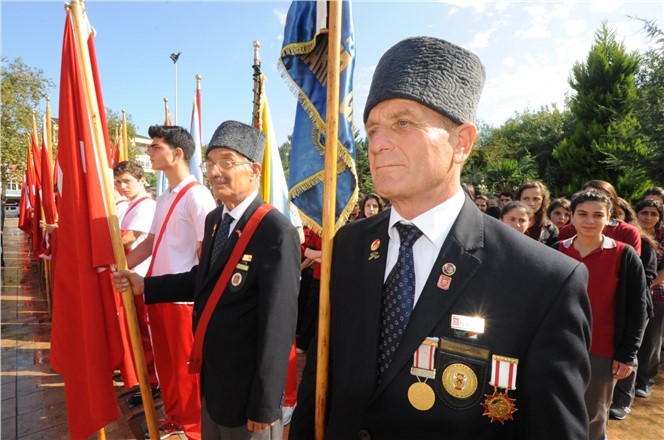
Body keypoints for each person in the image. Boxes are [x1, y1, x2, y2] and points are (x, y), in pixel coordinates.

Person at [289, 36, 591, 440]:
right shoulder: (348, 246)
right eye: (372, 128)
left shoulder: (545, 281)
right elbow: (321, 379)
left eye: (403, 123)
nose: (376, 144)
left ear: (461, 143)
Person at [115, 120, 300, 440]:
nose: (214, 171)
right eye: (210, 162)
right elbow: (205, 279)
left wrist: (266, 402)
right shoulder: (217, 220)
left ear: (254, 169)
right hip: (213, 379)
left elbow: (278, 324)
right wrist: (147, 284)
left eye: (226, 161)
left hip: (247, 391)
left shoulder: (275, 230)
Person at [124, 125, 217, 439]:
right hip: (158, 292)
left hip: (182, 300)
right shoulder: (163, 197)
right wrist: (120, 267)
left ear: (178, 154)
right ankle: (176, 418)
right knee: (166, 367)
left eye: (154, 147)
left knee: (184, 369)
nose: (149, 153)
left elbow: (207, 252)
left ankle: (193, 427)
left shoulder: (198, 195)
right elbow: (151, 243)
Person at [556, 190, 648, 440]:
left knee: (593, 416)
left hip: (602, 351)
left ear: (609, 218)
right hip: (557, 348)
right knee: (554, 409)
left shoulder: (624, 254)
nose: (589, 221)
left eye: (598, 215)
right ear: (571, 217)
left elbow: (639, 308)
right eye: (582, 214)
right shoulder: (555, 251)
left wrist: (628, 354)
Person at [113, 161, 160, 407]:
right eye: (119, 183)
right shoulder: (131, 205)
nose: (123, 187)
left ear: (142, 180)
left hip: (142, 275)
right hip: (131, 274)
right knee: (139, 335)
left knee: (147, 334)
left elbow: (130, 237)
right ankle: (146, 379)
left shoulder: (147, 205)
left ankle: (153, 382)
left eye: (127, 181)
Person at [558, 180, 641, 255]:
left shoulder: (627, 232)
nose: (594, 198)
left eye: (602, 196)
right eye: (588, 194)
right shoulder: (566, 232)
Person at [634, 199, 664, 399]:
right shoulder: (631, 234)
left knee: (652, 339)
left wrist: (645, 287)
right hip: (631, 293)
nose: (648, 217)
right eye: (644, 212)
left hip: (657, 293)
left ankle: (645, 379)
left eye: (654, 214)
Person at [515, 181, 558, 246]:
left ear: (543, 201)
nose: (531, 203)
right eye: (526, 198)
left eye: (536, 199)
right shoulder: (507, 223)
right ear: (519, 200)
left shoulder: (549, 229)